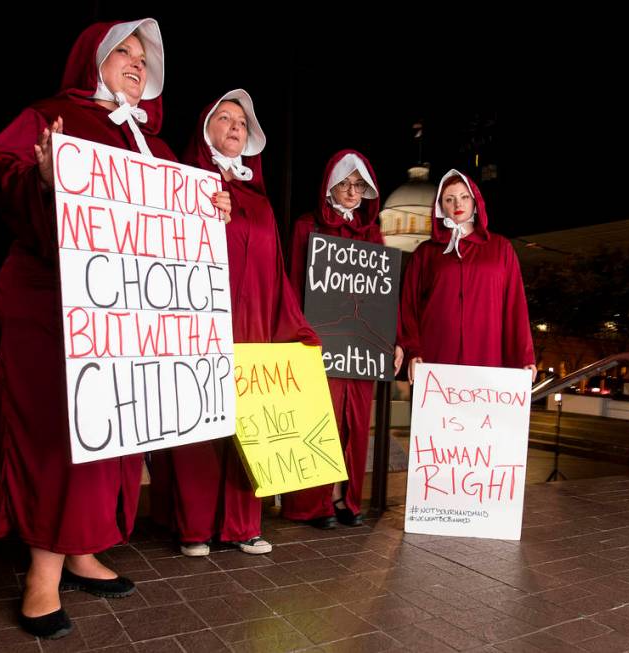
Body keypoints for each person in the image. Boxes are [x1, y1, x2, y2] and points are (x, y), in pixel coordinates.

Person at [0, 19, 217, 640]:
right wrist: (44, 180)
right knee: (60, 432)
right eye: (124, 52)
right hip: (52, 303)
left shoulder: (159, 150)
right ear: (93, 61)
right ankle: (42, 574)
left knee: (114, 435)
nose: (138, 63)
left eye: (146, 57)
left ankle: (83, 548)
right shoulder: (50, 116)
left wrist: (208, 209)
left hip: (130, 319)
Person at [169, 89, 319, 557]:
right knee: (198, 430)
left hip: (251, 333)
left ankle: (242, 526)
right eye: (226, 118)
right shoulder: (180, 181)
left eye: (242, 122)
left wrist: (297, 330)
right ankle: (195, 527)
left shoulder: (260, 202)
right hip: (199, 329)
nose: (236, 127)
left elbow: (275, 274)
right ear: (205, 127)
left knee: (249, 429)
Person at [281, 150, 401, 528]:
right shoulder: (306, 225)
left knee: (354, 422)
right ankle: (312, 503)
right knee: (320, 421)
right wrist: (296, 334)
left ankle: (344, 498)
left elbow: (383, 295)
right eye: (345, 184)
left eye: (358, 185)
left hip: (360, 347)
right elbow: (294, 280)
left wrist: (391, 340)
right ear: (330, 186)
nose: (352, 192)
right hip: (320, 345)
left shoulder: (374, 234)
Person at [398, 169, 535, 382]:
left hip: (487, 357)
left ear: (475, 201)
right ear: (440, 207)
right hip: (435, 357)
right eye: (449, 199)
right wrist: (413, 350)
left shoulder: (501, 248)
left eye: (464, 197)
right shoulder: (426, 252)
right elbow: (408, 306)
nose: (457, 205)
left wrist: (523, 356)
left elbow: (515, 305)